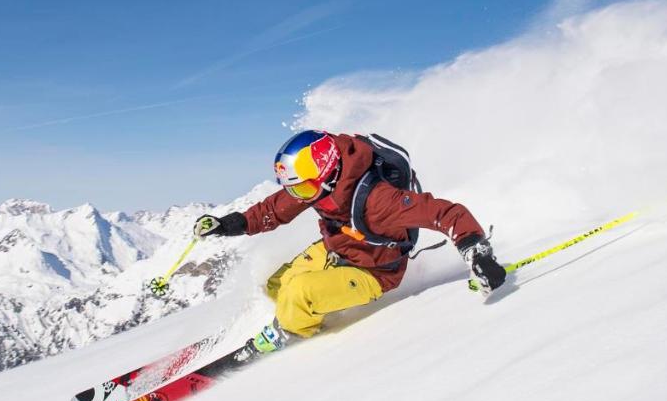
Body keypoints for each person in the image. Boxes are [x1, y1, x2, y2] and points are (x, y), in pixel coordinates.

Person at [194, 130, 506, 360]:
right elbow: (275, 209)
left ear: (329, 172)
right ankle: (301, 312)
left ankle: (289, 331)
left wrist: (476, 251)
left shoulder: (378, 201)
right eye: (294, 189)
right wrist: (230, 224)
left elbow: (443, 212)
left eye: (302, 189)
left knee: (297, 293)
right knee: (276, 284)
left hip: (373, 271)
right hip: (338, 249)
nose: (297, 196)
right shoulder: (318, 184)